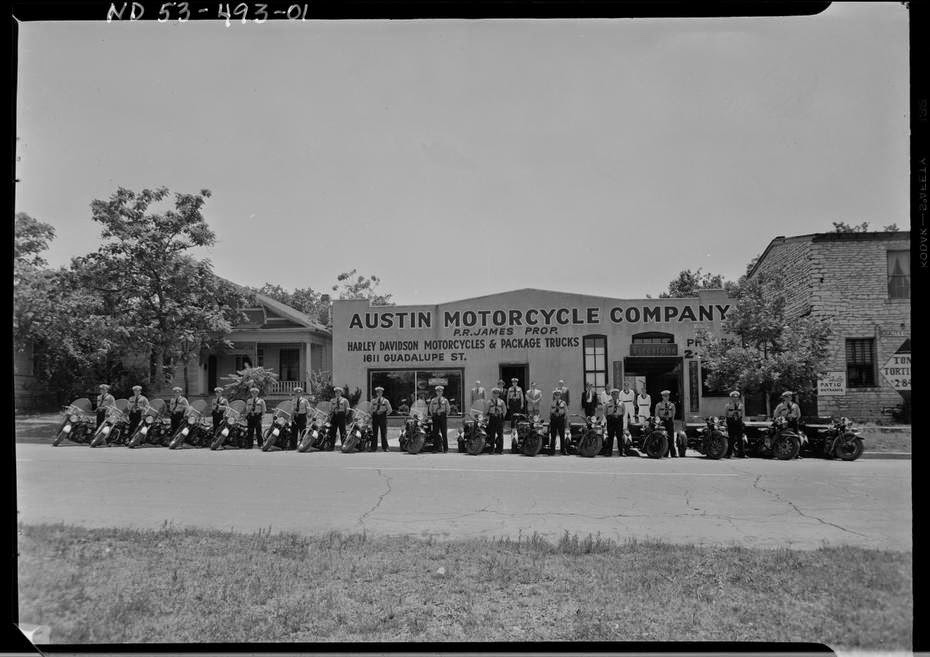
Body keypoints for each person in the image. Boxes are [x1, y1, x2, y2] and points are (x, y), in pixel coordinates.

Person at [773, 391, 803, 458]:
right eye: (786, 397)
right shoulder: (780, 406)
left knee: (797, 437)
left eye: (789, 396)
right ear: (784, 398)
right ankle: (777, 451)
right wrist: (780, 419)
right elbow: (775, 415)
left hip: (793, 422)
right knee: (780, 435)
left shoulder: (795, 406)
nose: (788, 398)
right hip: (783, 422)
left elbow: (799, 415)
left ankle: (797, 453)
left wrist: (793, 419)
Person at [724, 390, 748, 458]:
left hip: (738, 422)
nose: (735, 398)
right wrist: (727, 422)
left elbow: (742, 414)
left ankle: (741, 454)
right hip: (731, 421)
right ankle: (729, 454)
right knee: (731, 438)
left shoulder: (741, 405)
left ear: (738, 398)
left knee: (740, 438)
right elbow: (726, 414)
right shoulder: (728, 405)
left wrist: (742, 421)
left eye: (736, 397)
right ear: (731, 398)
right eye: (733, 397)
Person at [603, 388, 625, 456]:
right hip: (611, 420)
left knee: (619, 436)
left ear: (618, 395)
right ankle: (609, 452)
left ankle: (621, 452)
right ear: (611, 395)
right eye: (613, 394)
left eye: (616, 394)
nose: (615, 395)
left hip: (619, 420)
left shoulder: (622, 403)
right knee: (610, 436)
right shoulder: (608, 403)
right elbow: (605, 412)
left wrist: (618, 416)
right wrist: (610, 417)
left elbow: (623, 412)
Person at [428, 385, 451, 453]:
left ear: (442, 392)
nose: (439, 392)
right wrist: (433, 415)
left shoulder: (445, 400)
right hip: (435, 417)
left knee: (444, 433)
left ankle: (445, 449)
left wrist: (445, 415)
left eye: (440, 391)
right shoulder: (433, 400)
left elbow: (448, 409)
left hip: (442, 417)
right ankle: (435, 448)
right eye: (438, 391)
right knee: (435, 433)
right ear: (436, 392)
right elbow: (430, 409)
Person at [655, 390, 678, 457]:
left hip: (669, 421)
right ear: (662, 397)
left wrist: (672, 420)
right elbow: (656, 414)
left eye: (667, 396)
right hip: (662, 421)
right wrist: (657, 422)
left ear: (669, 396)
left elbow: (673, 413)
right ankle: (664, 453)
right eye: (664, 396)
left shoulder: (672, 405)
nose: (666, 397)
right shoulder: (659, 405)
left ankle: (673, 453)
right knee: (662, 437)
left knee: (671, 437)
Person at [371, 386, 392, 452]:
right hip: (375, 416)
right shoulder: (373, 400)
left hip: (382, 416)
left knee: (383, 432)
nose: (379, 393)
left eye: (380, 392)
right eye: (377, 392)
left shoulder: (385, 401)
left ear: (382, 393)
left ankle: (385, 447)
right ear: (376, 393)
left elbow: (390, 410)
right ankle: (373, 448)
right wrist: (373, 413)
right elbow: (371, 409)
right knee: (374, 433)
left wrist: (384, 414)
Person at [486, 388, 507, 454]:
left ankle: (500, 450)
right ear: (492, 394)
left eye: (497, 393)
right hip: (492, 418)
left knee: (500, 434)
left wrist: (502, 417)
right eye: (494, 393)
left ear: (498, 394)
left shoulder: (501, 401)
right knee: (492, 434)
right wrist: (487, 418)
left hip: (499, 418)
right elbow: (486, 411)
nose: (496, 394)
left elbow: (504, 410)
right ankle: (491, 450)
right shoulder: (489, 401)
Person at [548, 389, 568, 455]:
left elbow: (566, 411)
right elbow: (550, 411)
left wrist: (565, 419)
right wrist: (550, 417)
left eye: (558, 395)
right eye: (556, 395)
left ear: (560, 395)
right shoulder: (552, 402)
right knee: (553, 435)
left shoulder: (563, 403)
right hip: (554, 419)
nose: (557, 396)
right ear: (554, 396)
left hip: (561, 419)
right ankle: (552, 451)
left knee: (562, 435)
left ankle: (563, 450)